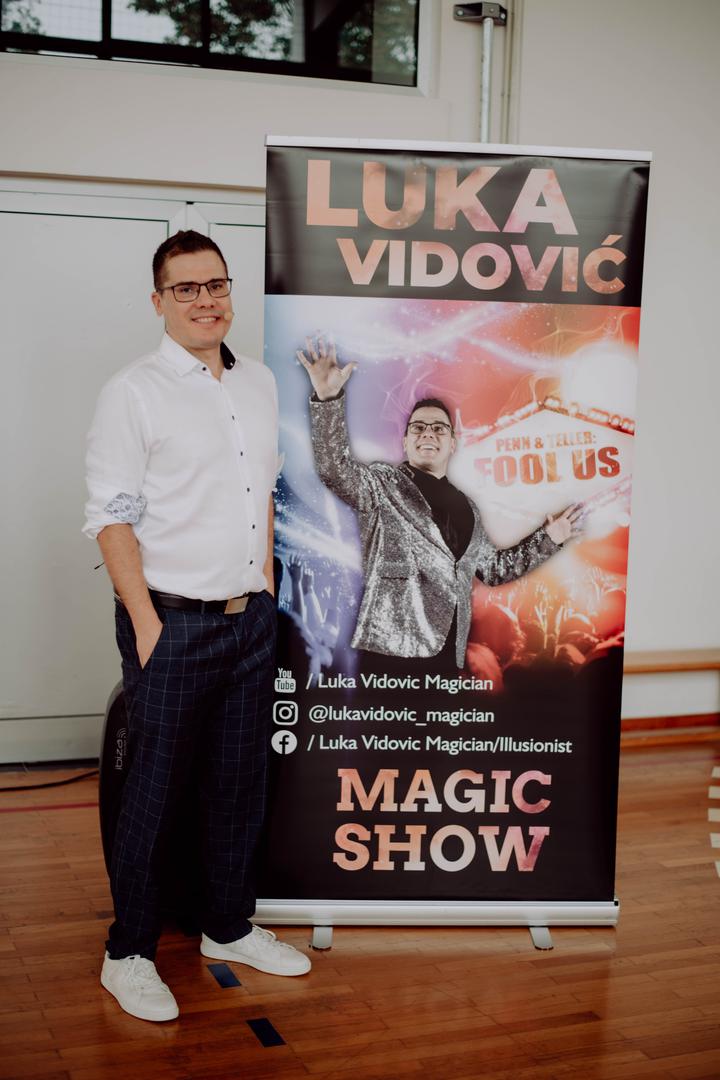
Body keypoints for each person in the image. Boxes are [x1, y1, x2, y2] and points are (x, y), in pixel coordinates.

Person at [84, 230, 310, 1024]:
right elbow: (111, 517)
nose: (205, 299)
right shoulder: (134, 391)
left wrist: (266, 590)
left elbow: (262, 496)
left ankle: (228, 926)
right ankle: (129, 952)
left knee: (239, 783)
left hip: (249, 621)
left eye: (216, 284)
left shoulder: (257, 383)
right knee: (154, 793)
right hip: (172, 625)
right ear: (159, 301)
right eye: (186, 288)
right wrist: (146, 625)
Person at [296, 336, 583, 675]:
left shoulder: (469, 508)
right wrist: (328, 398)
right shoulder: (382, 484)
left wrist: (550, 538)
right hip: (390, 653)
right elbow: (335, 471)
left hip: (448, 657)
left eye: (438, 429)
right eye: (418, 428)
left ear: (452, 443)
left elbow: (494, 570)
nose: (427, 434)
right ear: (405, 442)